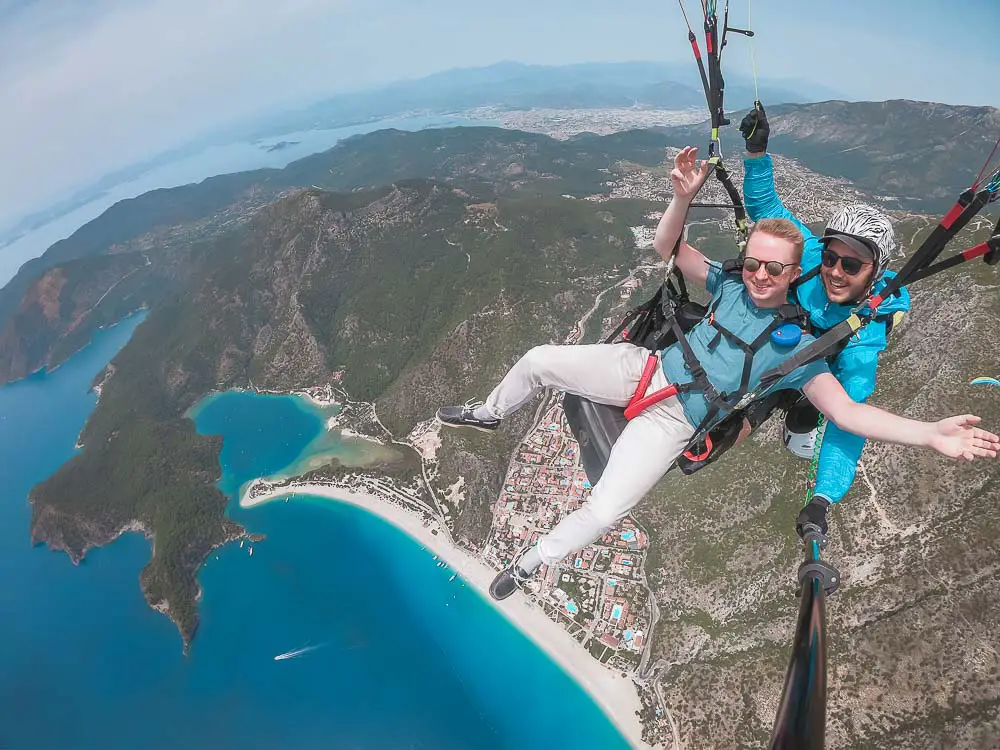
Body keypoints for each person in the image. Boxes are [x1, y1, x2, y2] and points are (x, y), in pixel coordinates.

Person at [436, 147, 999, 601]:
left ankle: (532, 562)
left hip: (678, 419)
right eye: (755, 263)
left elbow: (849, 412)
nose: (761, 274)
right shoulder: (732, 283)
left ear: (791, 272)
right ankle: (488, 414)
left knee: (606, 508)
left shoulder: (805, 352)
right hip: (645, 369)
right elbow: (669, 246)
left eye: (772, 268)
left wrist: (928, 434)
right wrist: (683, 197)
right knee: (539, 359)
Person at [739, 102, 912, 538]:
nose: (835, 271)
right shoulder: (813, 259)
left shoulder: (864, 334)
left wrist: (822, 500)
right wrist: (757, 154)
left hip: (816, 379)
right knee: (727, 427)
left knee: (800, 421)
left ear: (875, 274)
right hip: (779, 348)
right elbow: (767, 210)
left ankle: (799, 429)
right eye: (833, 257)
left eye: (852, 266)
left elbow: (850, 418)